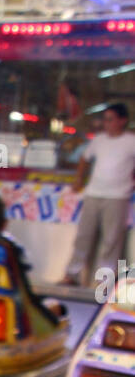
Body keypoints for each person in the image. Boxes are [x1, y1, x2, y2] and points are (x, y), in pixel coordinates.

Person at [63, 103, 135, 286]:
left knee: (112, 240)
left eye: (110, 120)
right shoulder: (99, 140)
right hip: (94, 193)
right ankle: (72, 274)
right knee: (84, 236)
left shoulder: (131, 141)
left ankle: (105, 280)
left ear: (122, 121)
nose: (106, 123)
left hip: (118, 196)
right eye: (105, 119)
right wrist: (79, 179)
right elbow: (84, 159)